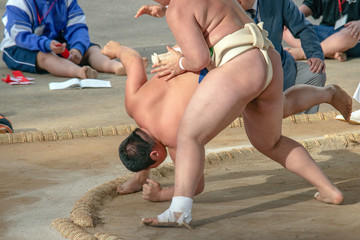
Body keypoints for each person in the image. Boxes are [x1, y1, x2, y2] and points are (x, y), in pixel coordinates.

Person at [136, 0, 344, 228]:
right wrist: (166, 11)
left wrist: (180, 63)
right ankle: (329, 190)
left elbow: (199, 59)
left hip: (239, 63)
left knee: (189, 135)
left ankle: (179, 211)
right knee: (271, 142)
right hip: (268, 58)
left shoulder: (178, 8)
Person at [135, 0, 327, 114]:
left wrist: (315, 54)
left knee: (315, 74)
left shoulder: (278, 2)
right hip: (234, 73)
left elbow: (303, 27)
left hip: (278, 66)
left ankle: (305, 126)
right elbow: (199, 13)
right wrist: (169, 10)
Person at [0, 0, 128, 79]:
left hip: (55, 42)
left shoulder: (67, 1)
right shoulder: (18, 4)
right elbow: (20, 36)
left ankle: (117, 66)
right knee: (46, 57)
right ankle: (79, 72)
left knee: (91, 48)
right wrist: (46, 44)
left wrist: (77, 48)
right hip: (19, 46)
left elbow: (77, 27)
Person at [283, 0, 360, 62]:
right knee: (286, 29)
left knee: (354, 33)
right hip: (325, 31)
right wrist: (292, 18)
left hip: (349, 36)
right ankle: (330, 52)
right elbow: (310, 5)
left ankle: (304, 53)